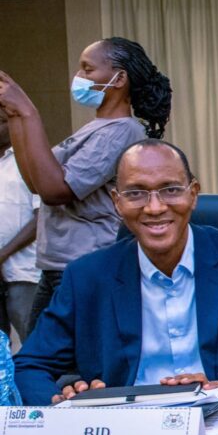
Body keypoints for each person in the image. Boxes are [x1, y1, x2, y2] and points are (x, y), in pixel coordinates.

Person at [14, 139, 218, 405]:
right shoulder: (86, 277)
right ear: (117, 202)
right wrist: (64, 409)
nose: (155, 207)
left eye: (170, 190)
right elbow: (29, 367)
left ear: (193, 194)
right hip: (127, 433)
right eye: (136, 193)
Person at [0, 37, 163, 338]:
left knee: (64, 360)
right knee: (39, 357)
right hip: (56, 266)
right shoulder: (95, 128)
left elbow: (55, 191)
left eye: (88, 69)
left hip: (85, 266)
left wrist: (28, 112)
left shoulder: (123, 131)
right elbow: (35, 182)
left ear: (119, 78)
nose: (79, 77)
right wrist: (15, 116)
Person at [0, 107, 39, 349]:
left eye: (1, 121)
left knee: (32, 344)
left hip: (24, 272)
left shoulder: (29, 160)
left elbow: (41, 218)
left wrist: (2, 255)